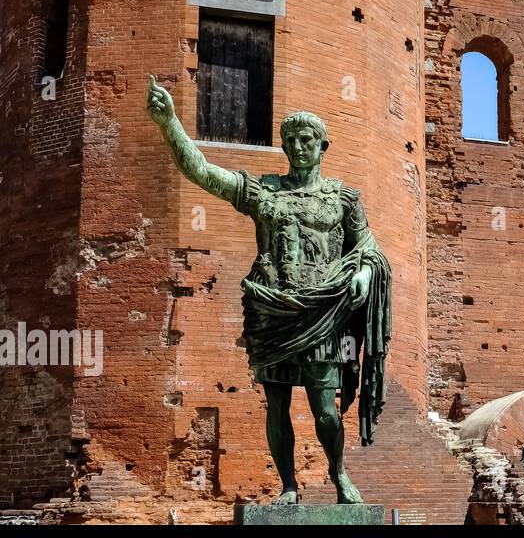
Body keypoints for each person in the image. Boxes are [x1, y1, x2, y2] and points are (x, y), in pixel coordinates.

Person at [146, 76, 392, 505]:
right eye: (291, 140)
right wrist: (170, 124)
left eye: (307, 140)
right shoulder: (264, 192)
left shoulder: (344, 198)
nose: (298, 147)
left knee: (325, 410)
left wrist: (366, 275)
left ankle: (338, 473)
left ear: (322, 146)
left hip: (322, 311)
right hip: (270, 310)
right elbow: (203, 173)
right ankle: (289, 487)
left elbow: (369, 250)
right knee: (276, 405)